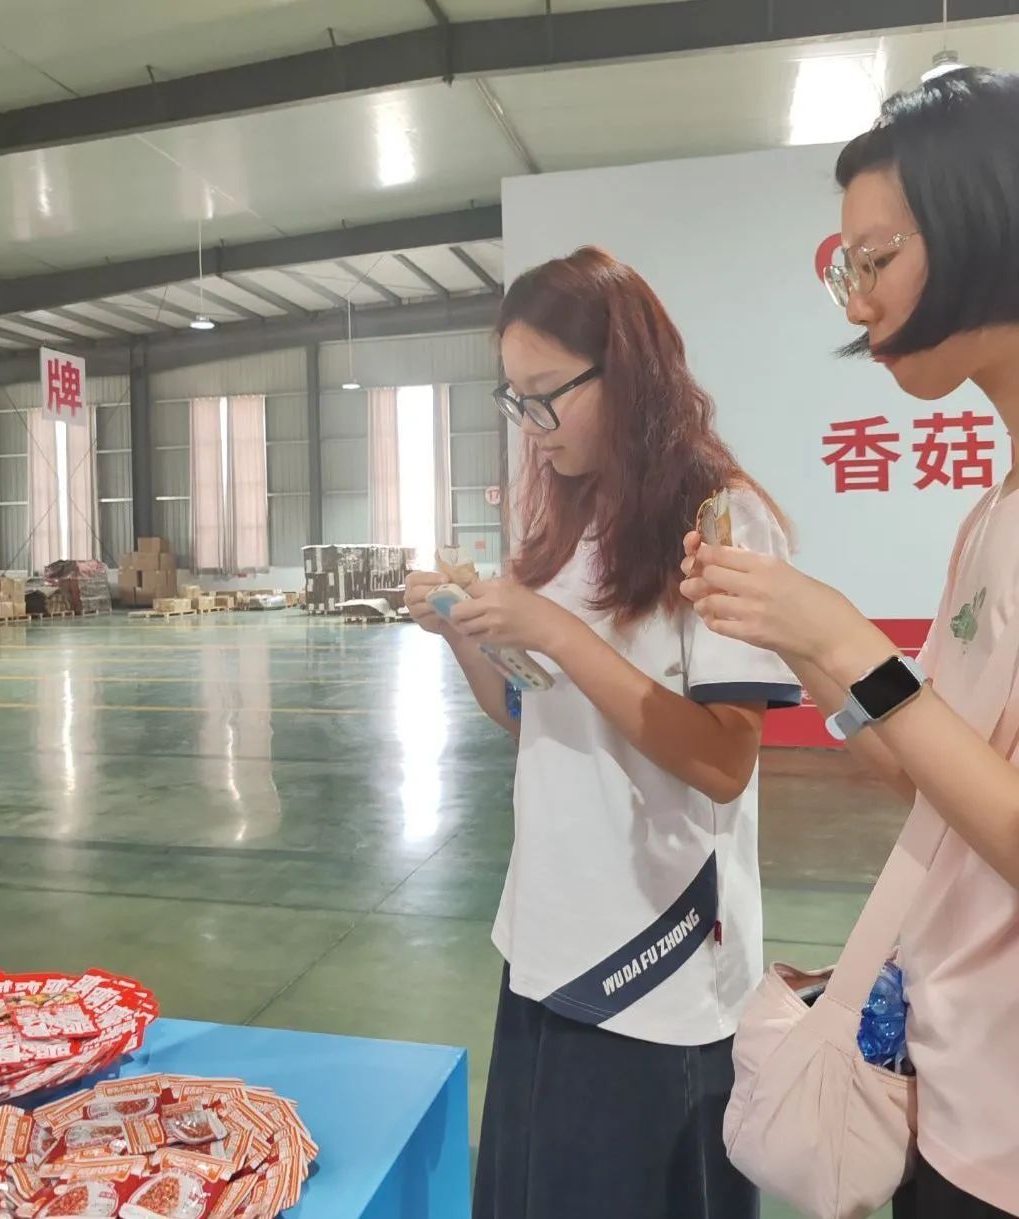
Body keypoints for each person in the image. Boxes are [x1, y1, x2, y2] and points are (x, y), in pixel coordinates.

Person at [681, 68, 1019, 1219]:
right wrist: (798, 642)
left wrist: (846, 638)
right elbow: (936, 781)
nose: (855, 303)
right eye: (845, 270)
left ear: (990, 223)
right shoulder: (992, 514)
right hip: (955, 1091)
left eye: (875, 260)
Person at [405, 247, 801, 1219]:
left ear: (628, 374)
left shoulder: (722, 520)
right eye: (516, 399)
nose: (531, 426)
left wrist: (556, 632)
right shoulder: (572, 521)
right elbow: (527, 711)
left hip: (659, 960)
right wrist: (464, 633)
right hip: (545, 935)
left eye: (547, 395)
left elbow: (723, 759)